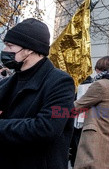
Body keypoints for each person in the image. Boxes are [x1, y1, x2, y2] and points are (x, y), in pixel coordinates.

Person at [0, 18, 75, 169]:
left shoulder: (61, 83)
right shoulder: (6, 83)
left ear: (29, 49)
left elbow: (47, 128)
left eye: (10, 46)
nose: (5, 50)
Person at [74, 55, 109, 169]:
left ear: (100, 69)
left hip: (95, 141)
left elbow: (75, 107)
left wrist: (54, 111)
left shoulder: (100, 85)